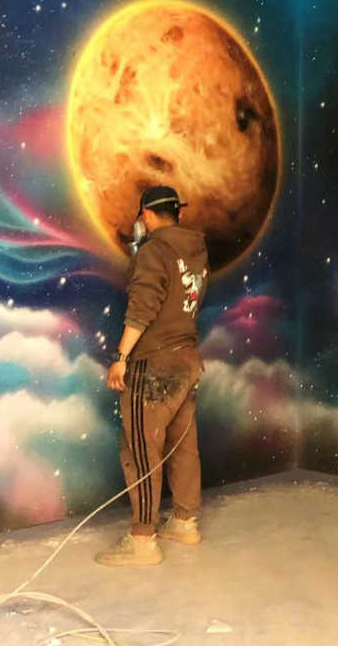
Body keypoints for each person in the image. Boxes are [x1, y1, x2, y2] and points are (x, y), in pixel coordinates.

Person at [95, 185, 209, 567]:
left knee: (141, 451)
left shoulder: (154, 251)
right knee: (183, 445)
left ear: (145, 214)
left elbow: (143, 306)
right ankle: (184, 522)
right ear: (178, 213)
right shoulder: (195, 250)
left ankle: (143, 540)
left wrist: (121, 358)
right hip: (186, 359)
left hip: (153, 365)